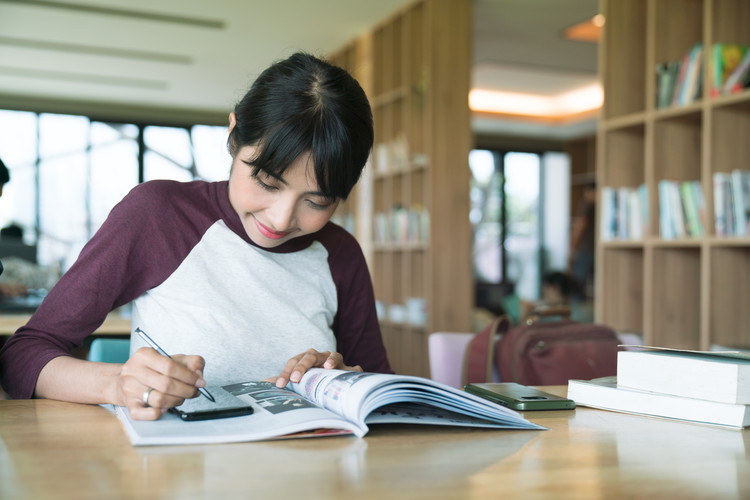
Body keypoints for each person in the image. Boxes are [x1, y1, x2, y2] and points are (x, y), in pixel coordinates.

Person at [0, 52, 392, 419]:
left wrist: (343, 379)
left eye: (317, 201)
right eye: (267, 182)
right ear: (234, 133)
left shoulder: (339, 253)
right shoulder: (160, 215)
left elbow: (384, 397)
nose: (281, 218)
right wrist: (119, 384)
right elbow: (23, 355)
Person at [568, 181, 596, 300]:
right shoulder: (600, 205)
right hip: (595, 250)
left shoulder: (587, 204)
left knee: (577, 285)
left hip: (586, 250)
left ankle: (576, 314)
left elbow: (579, 227)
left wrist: (572, 250)